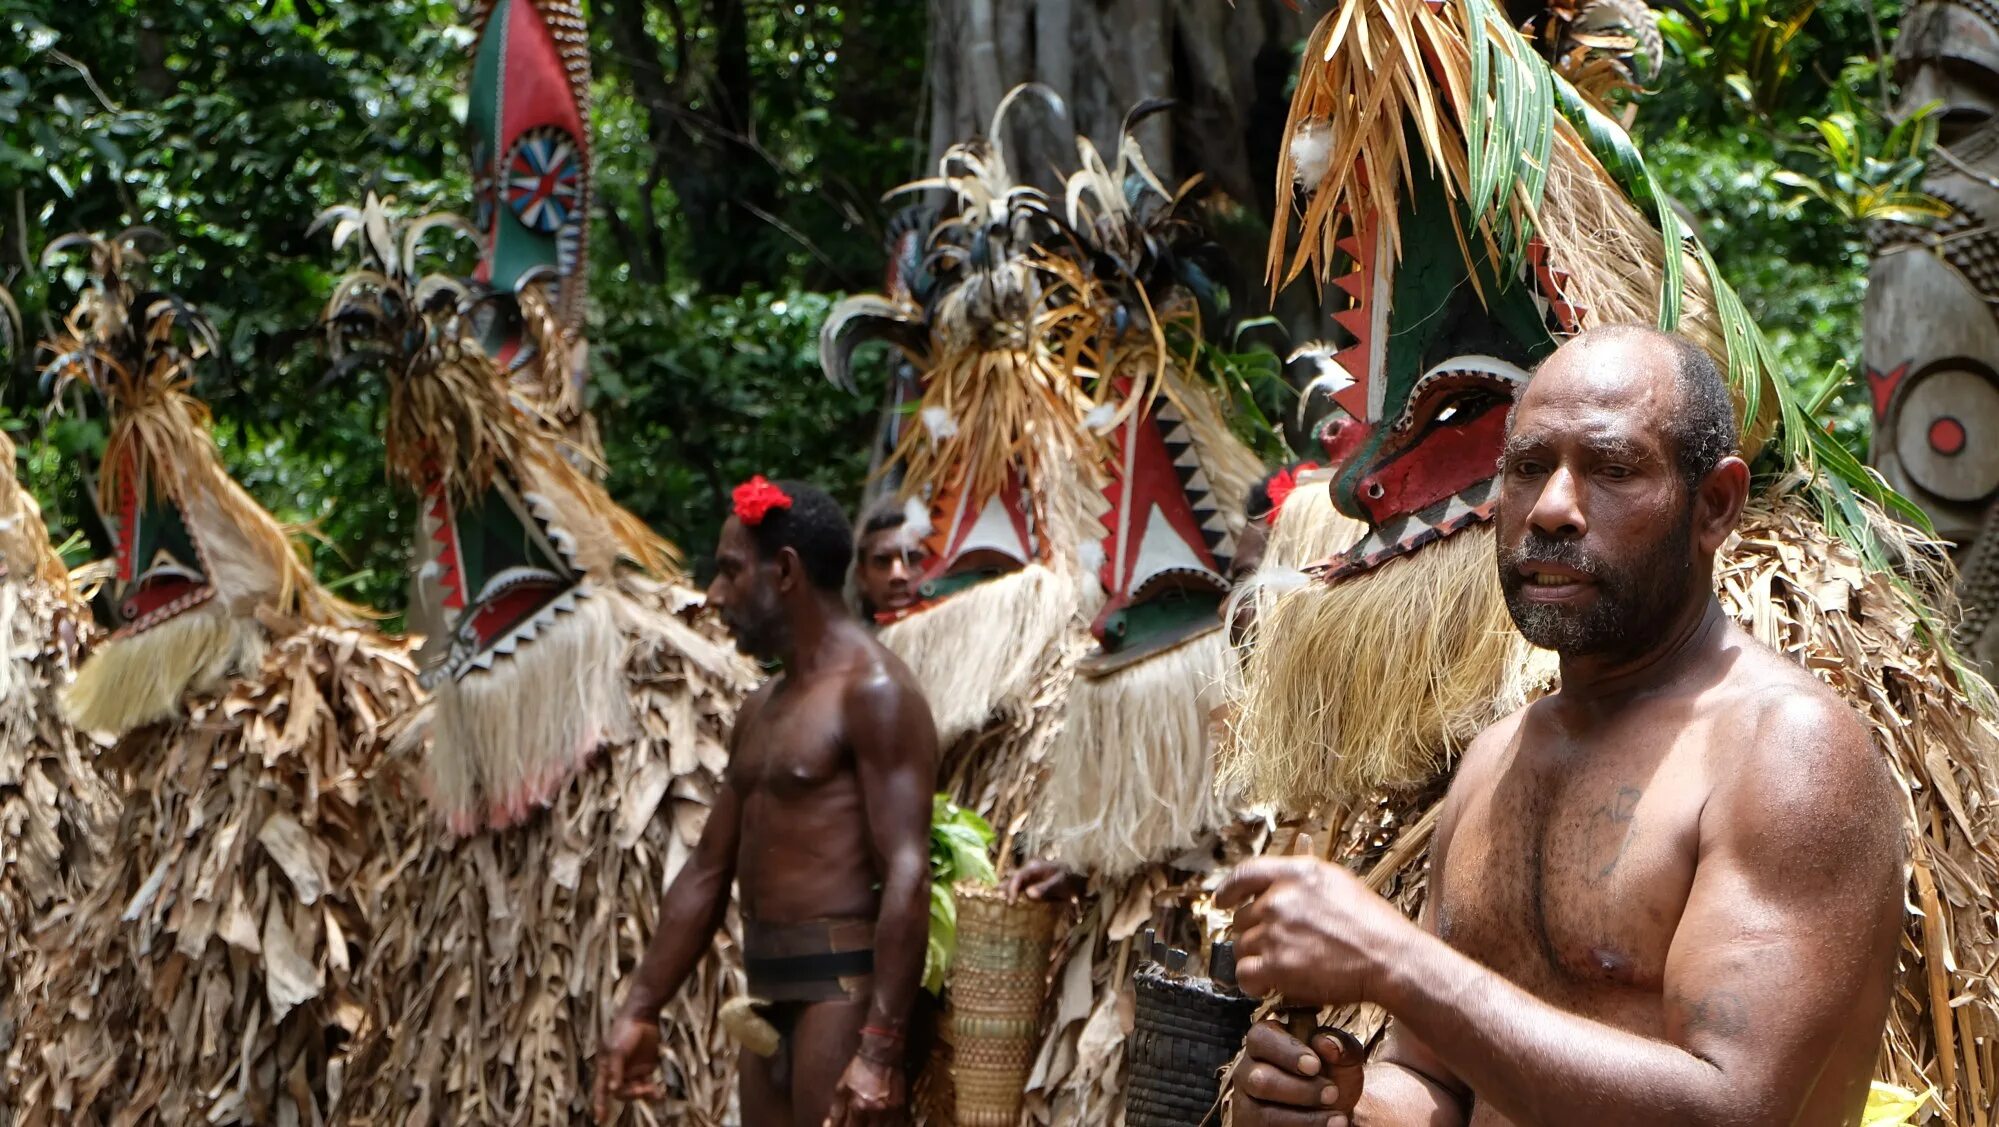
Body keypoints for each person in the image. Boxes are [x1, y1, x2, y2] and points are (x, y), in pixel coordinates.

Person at [1219, 325, 1905, 1127]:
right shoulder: (1495, 759)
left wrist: (1393, 960)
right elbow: (1436, 1082)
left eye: (1611, 470)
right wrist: (1335, 1107)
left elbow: (1732, 1107)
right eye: (1527, 467)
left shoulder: (1782, 751)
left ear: (1713, 505)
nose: (1550, 509)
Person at [594, 476, 940, 1127]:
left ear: (784, 570)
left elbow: (906, 870)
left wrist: (880, 1048)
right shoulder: (762, 707)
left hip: (843, 1000)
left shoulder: (874, 692)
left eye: (729, 571)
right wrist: (640, 1006)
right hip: (770, 994)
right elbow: (705, 869)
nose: (715, 594)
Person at [850, 496, 927, 620]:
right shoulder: (847, 639)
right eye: (882, 562)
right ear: (862, 576)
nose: (897, 575)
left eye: (912, 559)